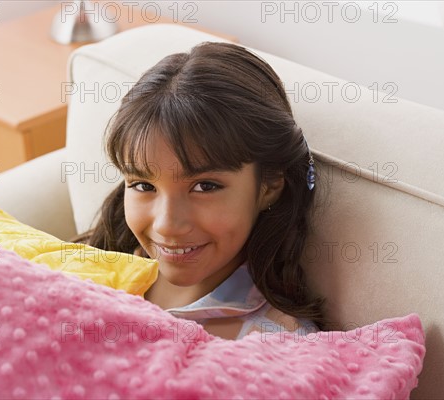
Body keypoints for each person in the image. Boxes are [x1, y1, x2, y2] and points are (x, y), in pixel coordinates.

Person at [75, 41, 324, 340]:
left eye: (204, 187)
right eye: (144, 185)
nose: (167, 224)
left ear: (269, 186)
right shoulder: (85, 268)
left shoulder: (279, 343)